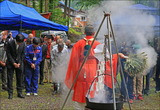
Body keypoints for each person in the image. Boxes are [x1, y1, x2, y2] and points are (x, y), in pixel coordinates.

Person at [65, 24, 101, 108]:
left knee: (80, 87)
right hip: (93, 69)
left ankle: (79, 107)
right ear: (94, 33)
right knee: (92, 86)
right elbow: (104, 60)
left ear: (84, 32)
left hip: (81, 68)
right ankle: (91, 105)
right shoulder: (98, 44)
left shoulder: (78, 44)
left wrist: (75, 73)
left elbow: (74, 61)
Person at [6, 34, 25, 99]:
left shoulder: (23, 44)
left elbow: (23, 54)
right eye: (18, 42)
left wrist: (19, 63)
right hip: (11, 63)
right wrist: (13, 63)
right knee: (10, 78)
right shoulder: (10, 43)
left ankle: (19, 92)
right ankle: (10, 93)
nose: (19, 44)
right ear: (16, 40)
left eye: (21, 43)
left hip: (19, 63)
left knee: (20, 78)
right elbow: (8, 54)